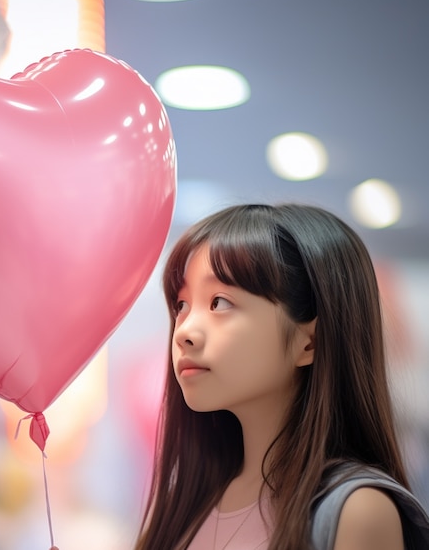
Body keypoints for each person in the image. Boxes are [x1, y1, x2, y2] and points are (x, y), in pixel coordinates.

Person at [133, 203, 423, 550]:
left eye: (220, 302)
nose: (184, 332)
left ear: (310, 341)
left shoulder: (356, 512)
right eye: (181, 305)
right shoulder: (185, 504)